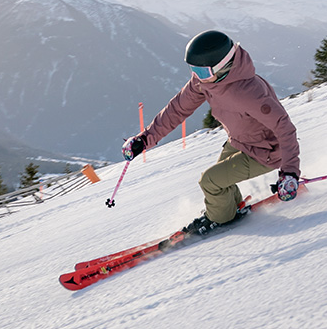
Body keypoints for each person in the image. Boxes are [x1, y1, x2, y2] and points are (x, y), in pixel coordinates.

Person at [123, 30, 302, 236]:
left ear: (223, 65)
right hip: (240, 141)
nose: (198, 78)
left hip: (266, 151)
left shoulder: (249, 93)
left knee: (210, 181)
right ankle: (229, 208)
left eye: (203, 72)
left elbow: (285, 128)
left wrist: (289, 173)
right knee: (220, 179)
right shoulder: (205, 82)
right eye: (193, 70)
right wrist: (145, 139)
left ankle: (220, 219)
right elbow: (177, 110)